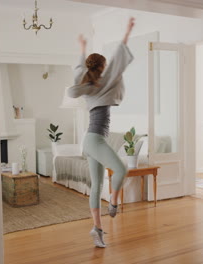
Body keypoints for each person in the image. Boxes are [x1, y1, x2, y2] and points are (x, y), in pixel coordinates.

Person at [67, 17, 135, 248]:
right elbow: (119, 61)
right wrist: (126, 31)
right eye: (105, 66)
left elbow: (84, 68)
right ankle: (114, 202)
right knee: (121, 168)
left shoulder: (90, 87)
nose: (108, 69)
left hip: (91, 140)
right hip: (94, 140)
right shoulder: (96, 86)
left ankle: (97, 230)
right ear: (102, 67)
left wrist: (82, 48)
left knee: (96, 185)